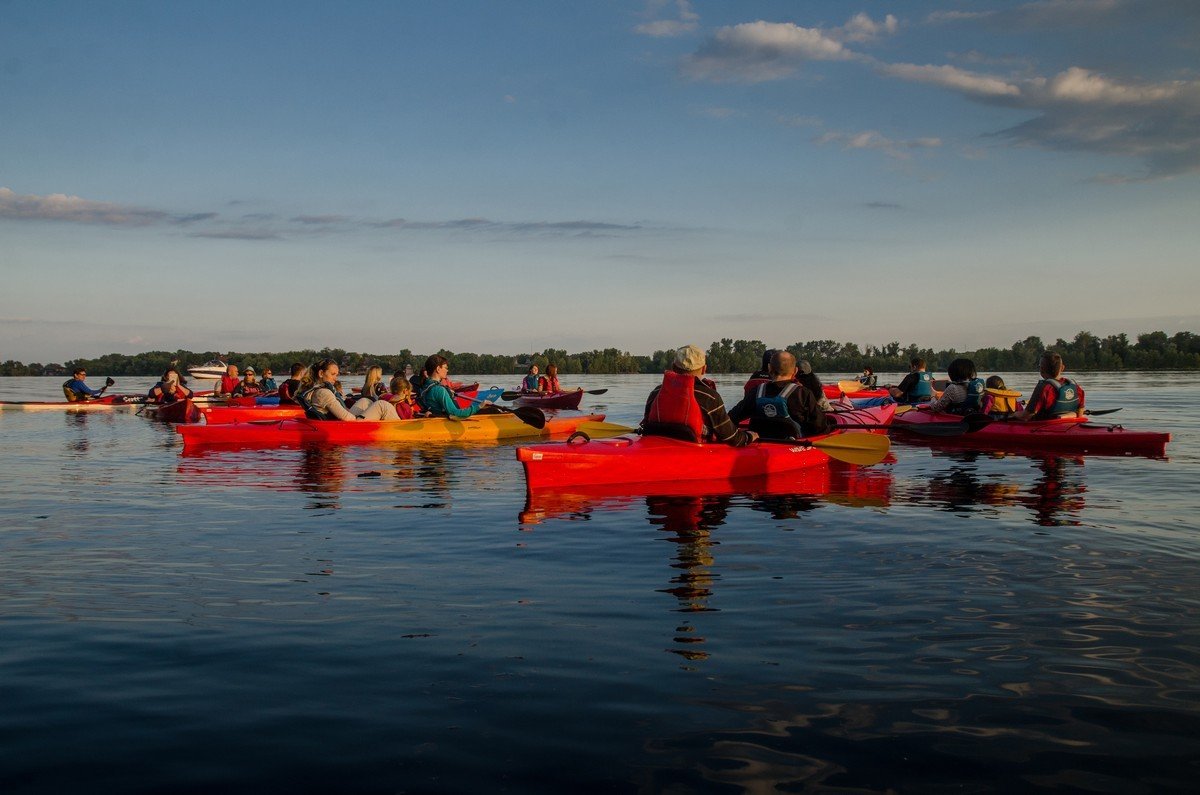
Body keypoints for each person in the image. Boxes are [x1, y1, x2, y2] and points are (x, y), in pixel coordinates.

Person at [642, 345, 757, 446]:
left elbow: (646, 424)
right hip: (695, 453)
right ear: (703, 369)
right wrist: (749, 437)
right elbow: (731, 438)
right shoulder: (710, 397)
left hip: (656, 448)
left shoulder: (656, 392)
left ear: (673, 367)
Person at [729, 350, 828, 439]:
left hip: (758, 445)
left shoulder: (756, 391)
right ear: (795, 371)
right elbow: (820, 426)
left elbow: (731, 417)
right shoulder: (803, 393)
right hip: (793, 447)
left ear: (769, 368)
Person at [297, 359, 399, 421]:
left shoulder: (318, 390)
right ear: (321, 374)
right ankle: (400, 428)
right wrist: (362, 416)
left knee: (365, 401)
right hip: (346, 425)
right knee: (382, 405)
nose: (335, 378)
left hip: (341, 420)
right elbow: (347, 418)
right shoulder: (323, 393)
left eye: (336, 374)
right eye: (333, 374)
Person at [1011, 352, 1085, 421]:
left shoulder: (1043, 387)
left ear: (1041, 369)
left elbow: (1025, 416)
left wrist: (1014, 414)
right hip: (1070, 425)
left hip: (1045, 428)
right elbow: (1080, 413)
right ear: (1062, 368)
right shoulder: (1075, 386)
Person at [418, 354, 491, 418]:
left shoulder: (425, 386)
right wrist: (479, 406)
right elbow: (455, 414)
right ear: (438, 369)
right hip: (443, 424)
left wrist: (448, 393)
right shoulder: (440, 390)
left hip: (434, 420)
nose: (447, 370)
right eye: (446, 368)